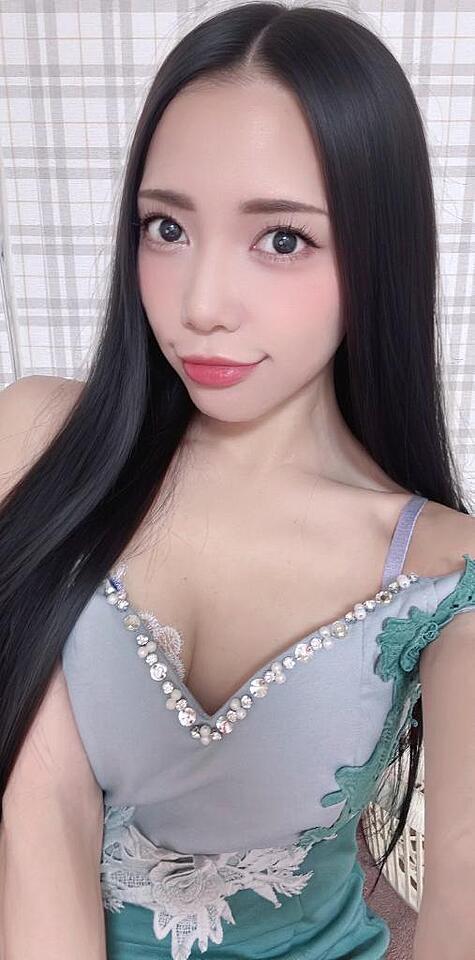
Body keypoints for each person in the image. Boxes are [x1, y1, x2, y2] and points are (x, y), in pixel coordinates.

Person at [0, 3, 474, 958]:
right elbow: (37, 809)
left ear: (378, 249)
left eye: (282, 239)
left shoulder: (440, 570)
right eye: (166, 226)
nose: (201, 303)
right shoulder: (38, 436)